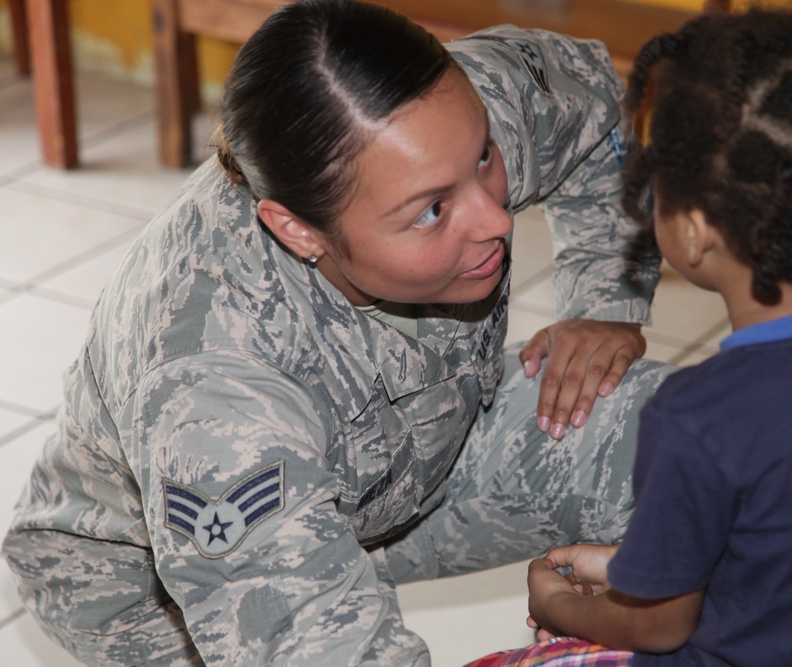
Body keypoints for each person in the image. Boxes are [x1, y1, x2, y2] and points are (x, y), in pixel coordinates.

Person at [1, 1, 670, 665]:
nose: (494, 217)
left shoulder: (436, 119)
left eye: (486, 159)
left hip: (406, 461)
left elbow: (592, 101)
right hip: (164, 584)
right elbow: (316, 642)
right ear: (297, 230)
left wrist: (609, 295)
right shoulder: (211, 387)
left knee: (682, 439)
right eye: (433, 210)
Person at [467, 6, 792, 667]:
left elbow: (655, 628)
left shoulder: (698, 416)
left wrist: (557, 603)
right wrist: (641, 567)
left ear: (694, 227)